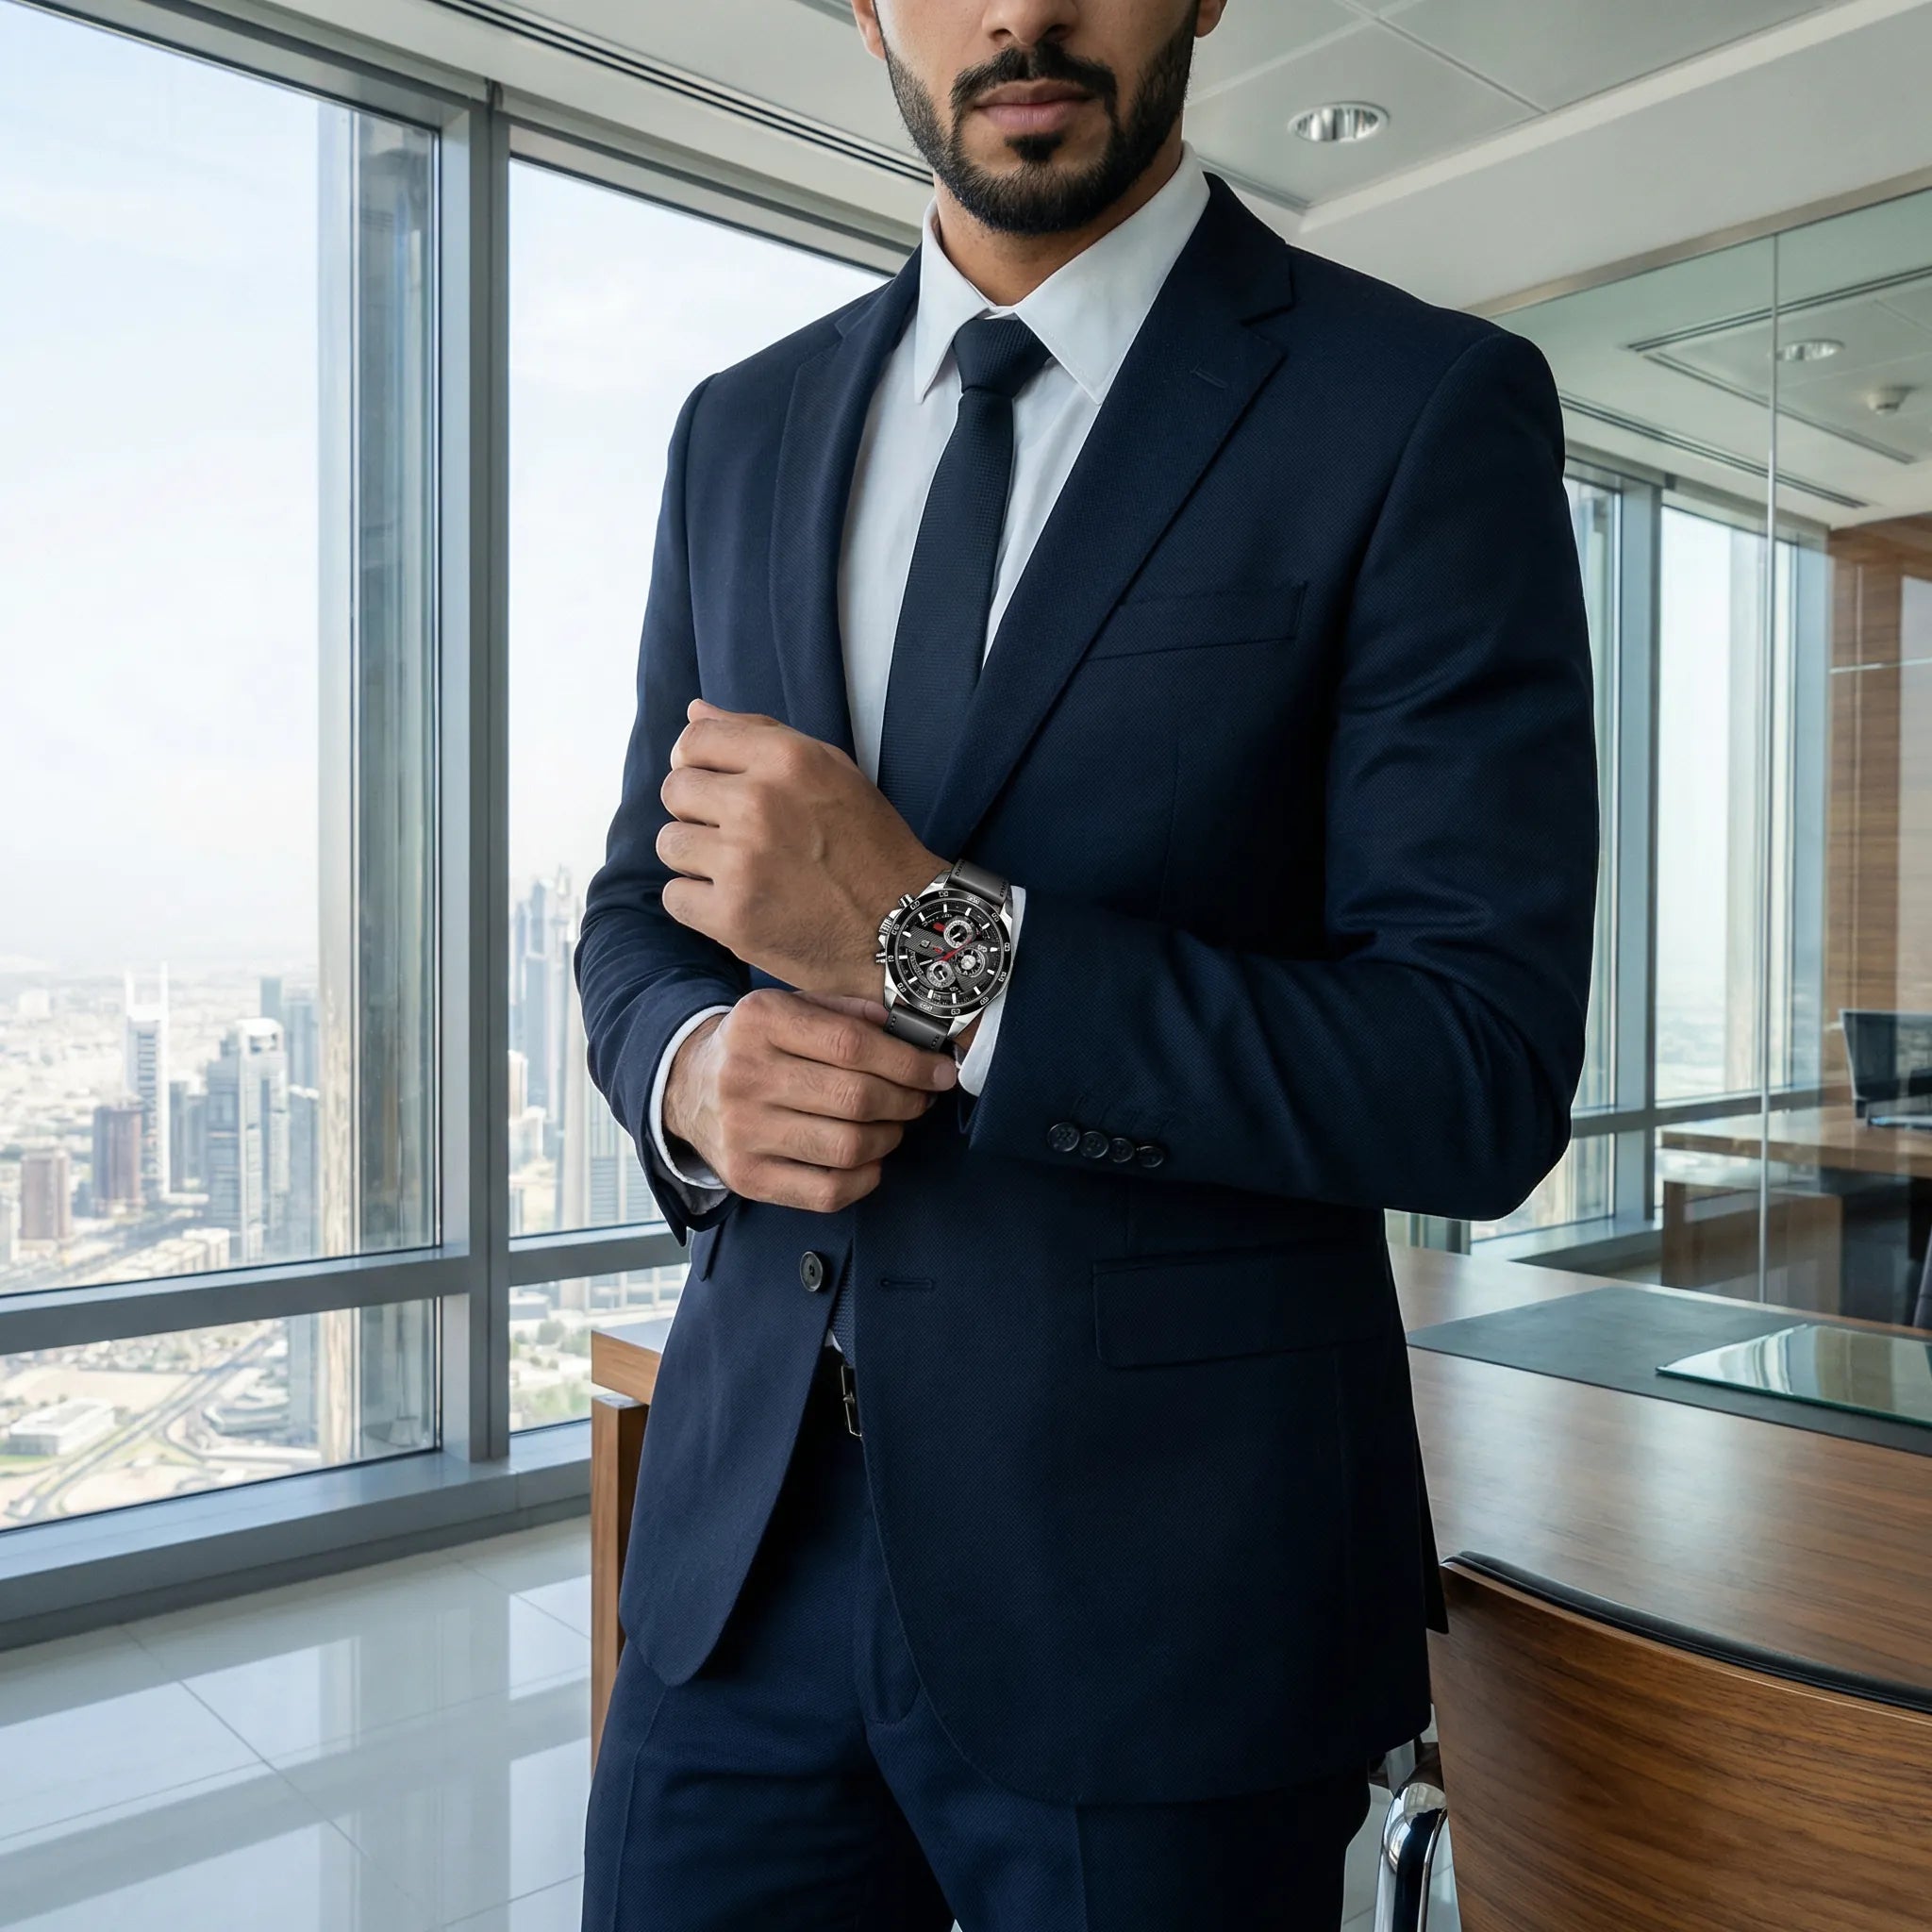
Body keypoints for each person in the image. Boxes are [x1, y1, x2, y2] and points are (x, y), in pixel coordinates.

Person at [575, 1, 1600, 1924]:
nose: (1021, 10)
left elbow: (1471, 1069)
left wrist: (924, 946)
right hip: (736, 1563)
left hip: (1168, 1604)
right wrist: (692, 1074)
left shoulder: (1413, 406)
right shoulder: (739, 428)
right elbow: (642, 912)